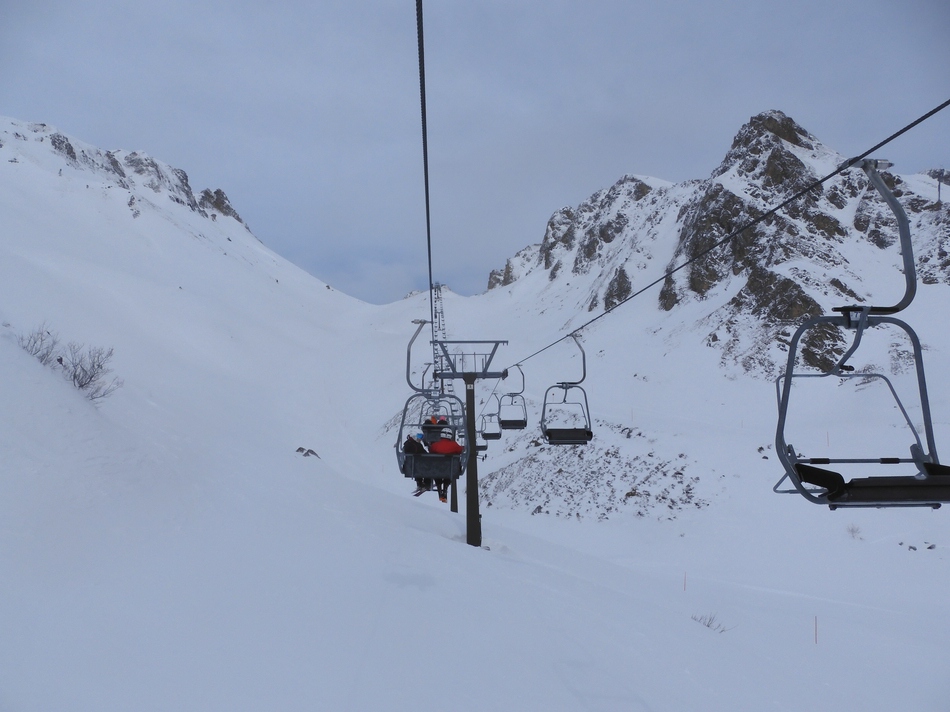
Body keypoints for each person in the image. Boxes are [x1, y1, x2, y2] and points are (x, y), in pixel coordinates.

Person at [429, 427, 463, 503]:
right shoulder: (454, 445)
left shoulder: (435, 445)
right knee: (449, 473)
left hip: (437, 468)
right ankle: (445, 488)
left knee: (437, 473)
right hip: (450, 468)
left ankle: (439, 488)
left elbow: (431, 451)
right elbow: (460, 450)